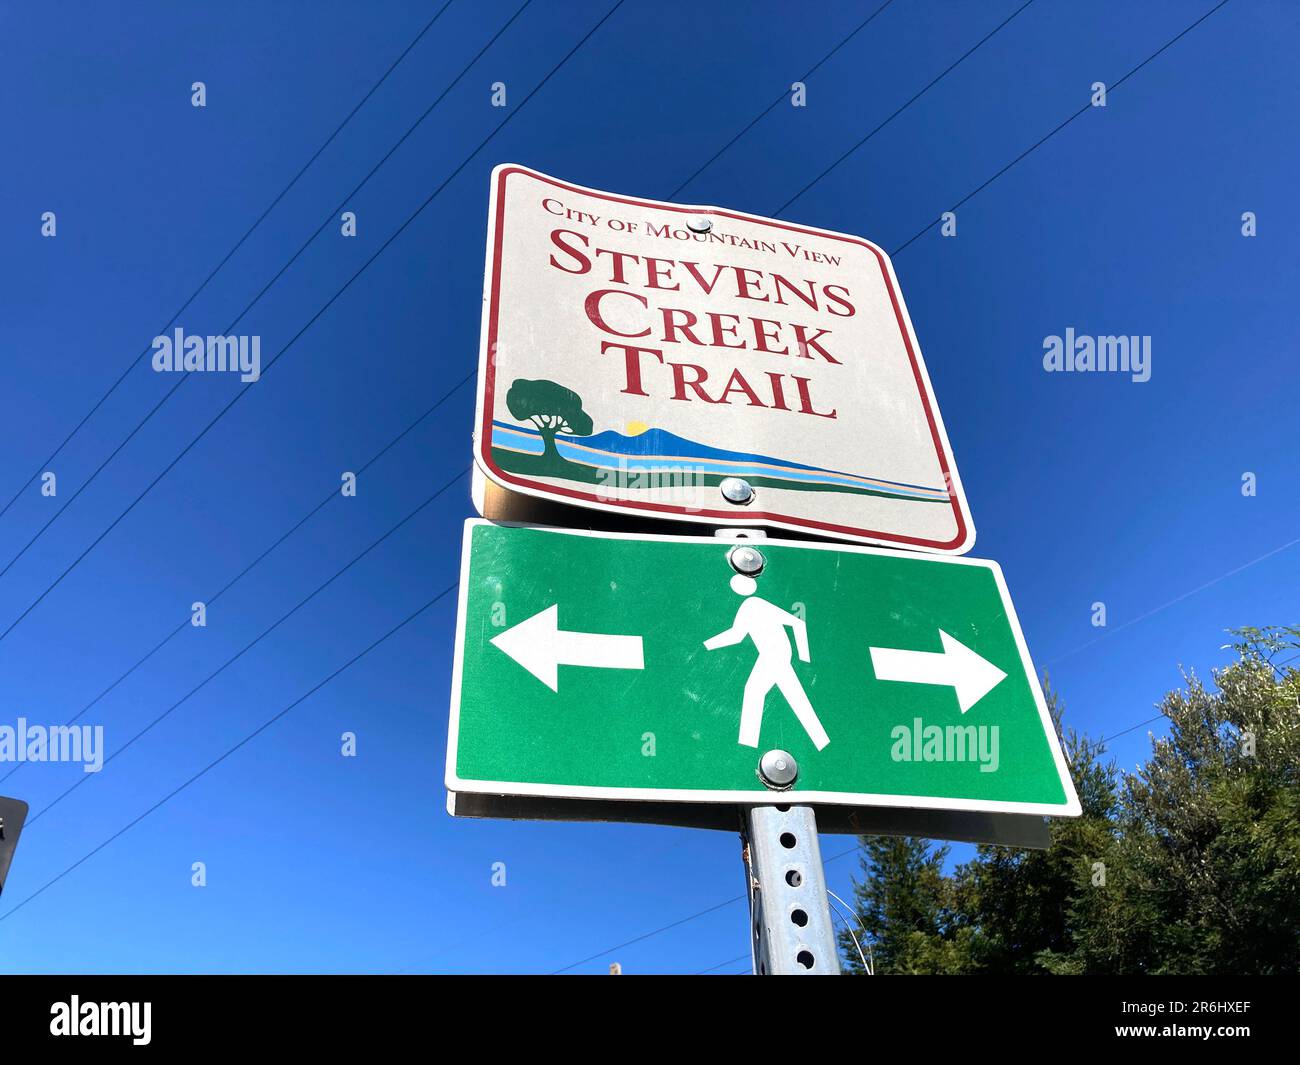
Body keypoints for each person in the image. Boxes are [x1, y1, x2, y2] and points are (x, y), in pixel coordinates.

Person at [703, 574, 830, 750]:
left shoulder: (756, 604)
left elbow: (797, 624)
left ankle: (747, 746)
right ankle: (822, 741)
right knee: (794, 697)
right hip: (773, 654)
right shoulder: (747, 607)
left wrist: (805, 658)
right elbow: (737, 635)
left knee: (755, 690)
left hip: (776, 653)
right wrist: (707, 645)